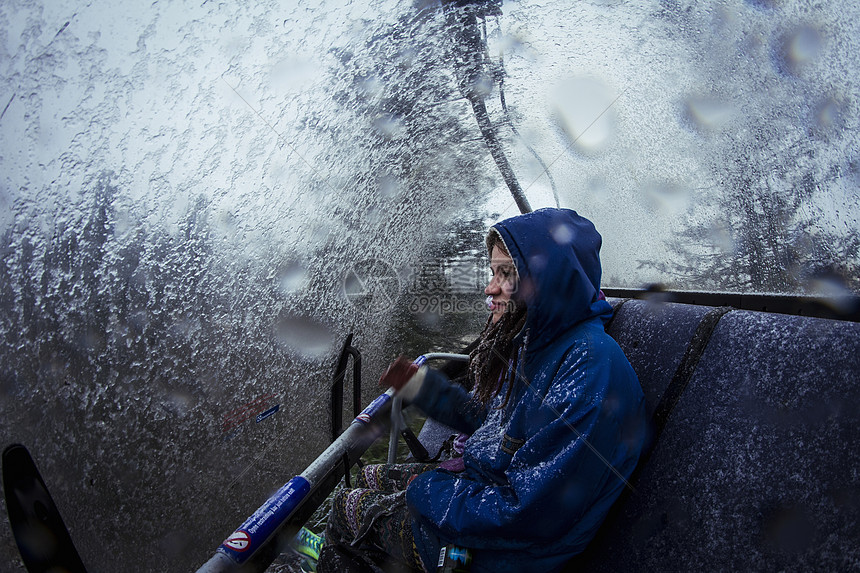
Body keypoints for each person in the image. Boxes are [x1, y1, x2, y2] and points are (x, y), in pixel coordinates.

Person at [318, 208, 647, 573]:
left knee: (346, 509)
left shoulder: (588, 370)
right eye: (493, 273)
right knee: (368, 476)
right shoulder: (537, 348)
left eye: (506, 273)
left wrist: (423, 487)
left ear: (546, 277)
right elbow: (489, 423)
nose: (490, 288)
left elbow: (526, 513)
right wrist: (421, 387)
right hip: (485, 492)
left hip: (504, 554)